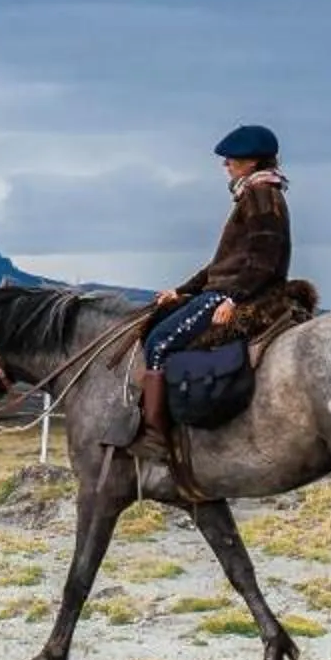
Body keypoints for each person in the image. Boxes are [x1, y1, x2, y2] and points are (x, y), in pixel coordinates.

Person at [133, 123, 290, 455]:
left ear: (251, 162)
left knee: (159, 344)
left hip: (233, 293)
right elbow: (222, 264)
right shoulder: (253, 194)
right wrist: (182, 290)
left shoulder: (261, 196)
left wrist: (235, 298)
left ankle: (157, 437)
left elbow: (265, 257)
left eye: (232, 158)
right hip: (224, 288)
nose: (226, 164)